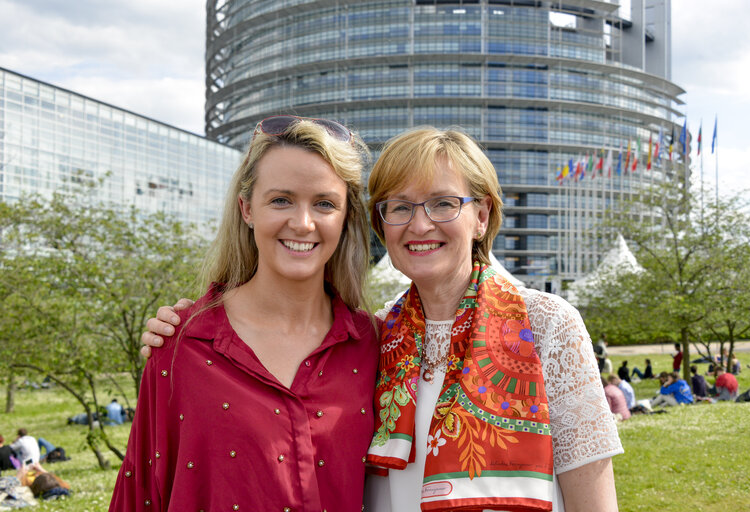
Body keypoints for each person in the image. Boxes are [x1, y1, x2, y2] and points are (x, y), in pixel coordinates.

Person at [143, 127, 623, 511]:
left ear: (481, 216)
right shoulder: (376, 335)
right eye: (400, 207)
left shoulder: (547, 325)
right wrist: (184, 330)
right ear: (381, 226)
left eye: (443, 203)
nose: (420, 224)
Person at [111, 116, 379, 511]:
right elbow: (140, 496)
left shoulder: (376, 344)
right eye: (281, 200)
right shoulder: (179, 345)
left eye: (324, 203)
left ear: (345, 217)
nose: (302, 223)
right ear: (247, 208)